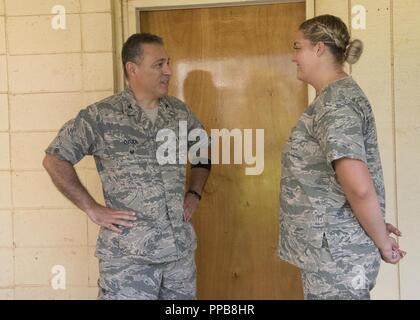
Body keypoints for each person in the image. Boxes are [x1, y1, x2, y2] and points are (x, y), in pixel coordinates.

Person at [43, 33, 211, 300]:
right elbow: (55, 159)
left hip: (178, 254)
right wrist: (92, 208)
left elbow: (203, 147)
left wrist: (194, 192)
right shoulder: (101, 116)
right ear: (132, 69)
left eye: (168, 63)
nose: (168, 71)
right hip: (128, 260)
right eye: (159, 65)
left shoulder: (179, 112)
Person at [278, 15, 406, 300]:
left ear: (319, 49)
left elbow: (358, 187)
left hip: (336, 253)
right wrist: (372, 227)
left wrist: (383, 243)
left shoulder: (335, 102)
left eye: (298, 47)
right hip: (334, 247)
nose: (293, 57)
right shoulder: (336, 97)